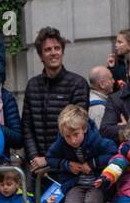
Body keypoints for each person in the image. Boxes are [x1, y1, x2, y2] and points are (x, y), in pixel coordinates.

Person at [23, 27, 90, 175]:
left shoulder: (78, 84)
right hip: (38, 169)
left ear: (62, 52)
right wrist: (35, 160)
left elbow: (77, 128)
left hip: (68, 167)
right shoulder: (32, 85)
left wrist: (50, 160)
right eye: (47, 49)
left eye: (57, 48)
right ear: (41, 55)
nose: (53, 53)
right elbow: (27, 128)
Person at [44, 104, 117, 203]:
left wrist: (93, 163)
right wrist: (67, 165)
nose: (73, 140)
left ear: (84, 129)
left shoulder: (96, 140)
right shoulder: (61, 143)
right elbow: (50, 157)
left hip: (97, 184)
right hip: (74, 184)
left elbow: (113, 153)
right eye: (68, 136)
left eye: (76, 134)